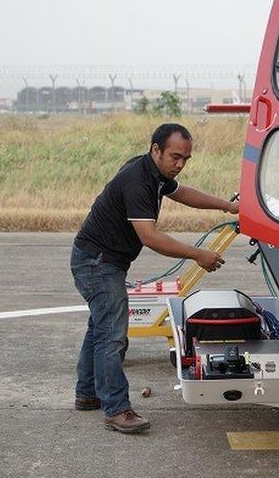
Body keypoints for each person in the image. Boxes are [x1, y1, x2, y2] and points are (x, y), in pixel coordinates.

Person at [70, 123, 238, 434]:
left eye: (185, 159)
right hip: (97, 263)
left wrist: (227, 206)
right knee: (112, 336)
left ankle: (88, 393)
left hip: (100, 259)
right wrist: (196, 253)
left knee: (100, 328)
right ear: (155, 149)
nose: (180, 165)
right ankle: (116, 409)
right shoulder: (138, 181)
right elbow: (149, 236)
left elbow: (185, 194)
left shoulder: (155, 174)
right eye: (175, 157)